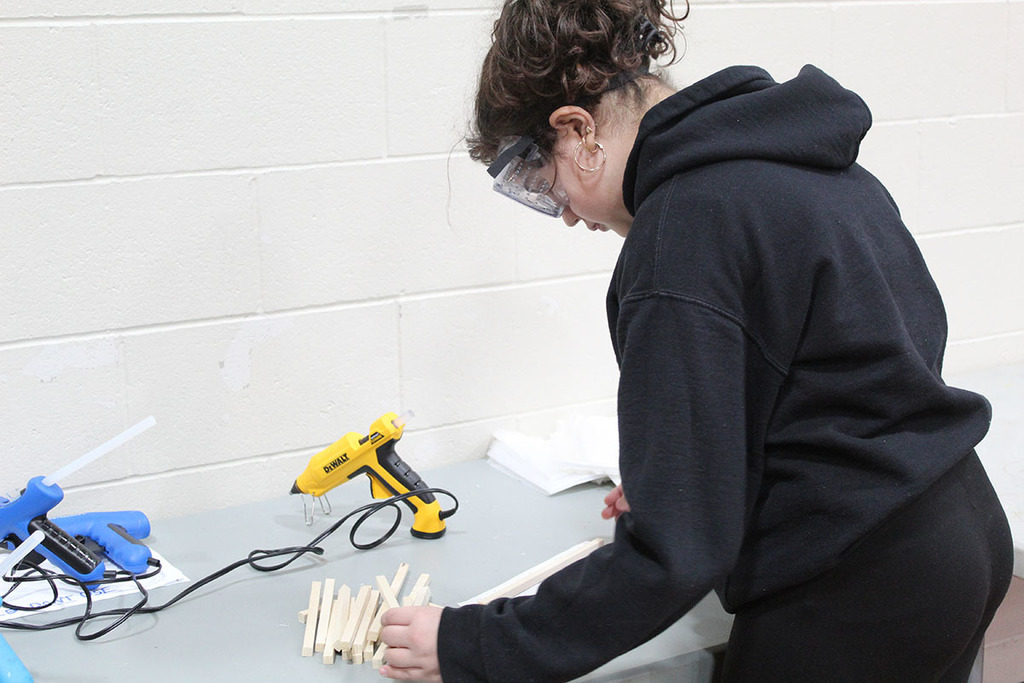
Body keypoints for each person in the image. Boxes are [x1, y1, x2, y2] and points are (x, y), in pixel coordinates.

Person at [378, 0, 1015, 680]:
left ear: (576, 129)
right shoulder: (798, 157)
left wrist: (468, 644)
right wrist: (691, 476)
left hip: (857, 588)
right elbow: (868, 375)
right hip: (961, 531)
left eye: (543, 182)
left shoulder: (683, 232)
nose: (563, 214)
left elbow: (672, 555)